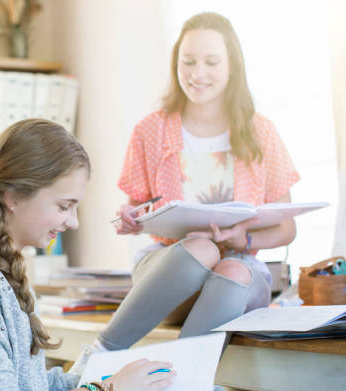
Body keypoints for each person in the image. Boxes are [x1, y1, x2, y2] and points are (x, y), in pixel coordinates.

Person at [0, 119, 178, 391]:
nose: (73, 222)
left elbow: (30, 388)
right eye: (64, 206)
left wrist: (115, 380)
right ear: (12, 196)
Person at [95, 11, 299, 352]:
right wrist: (129, 217)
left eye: (211, 62)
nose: (197, 73)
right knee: (201, 249)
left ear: (231, 66)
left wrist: (243, 239)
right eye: (187, 61)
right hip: (169, 270)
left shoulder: (260, 131)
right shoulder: (150, 130)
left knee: (232, 269)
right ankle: (103, 351)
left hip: (240, 271)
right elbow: (135, 206)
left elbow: (287, 228)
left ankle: (185, 382)